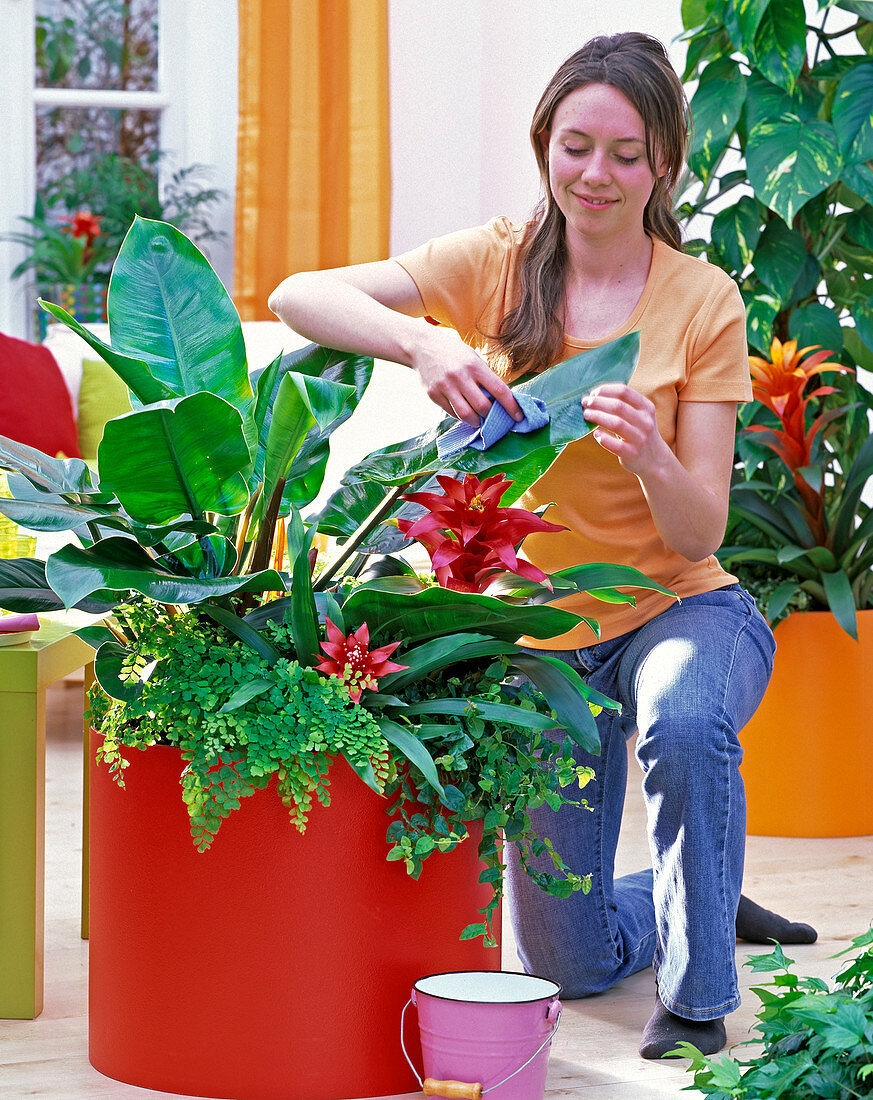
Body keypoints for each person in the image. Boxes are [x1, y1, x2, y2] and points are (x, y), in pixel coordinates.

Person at [269, 31, 816, 1059]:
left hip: (680, 608)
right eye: (575, 146)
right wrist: (426, 338)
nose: (595, 174)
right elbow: (298, 294)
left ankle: (700, 994)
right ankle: (693, 889)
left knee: (682, 720)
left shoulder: (703, 300)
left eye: (623, 151)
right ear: (546, 145)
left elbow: (703, 527)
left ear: (662, 164)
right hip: (540, 635)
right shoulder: (497, 262)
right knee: (565, 957)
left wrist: (653, 452)